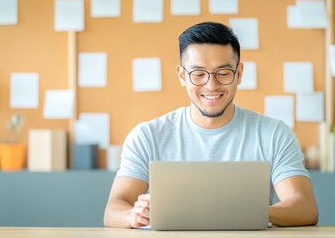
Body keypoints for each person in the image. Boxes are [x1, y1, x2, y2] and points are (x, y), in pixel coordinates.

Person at [103, 22, 319, 229]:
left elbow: (305, 206)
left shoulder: (273, 134)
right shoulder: (147, 135)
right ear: (182, 75)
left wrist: (251, 213)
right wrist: (132, 215)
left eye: (223, 73)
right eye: (198, 74)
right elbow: (114, 209)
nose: (211, 85)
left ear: (239, 73)